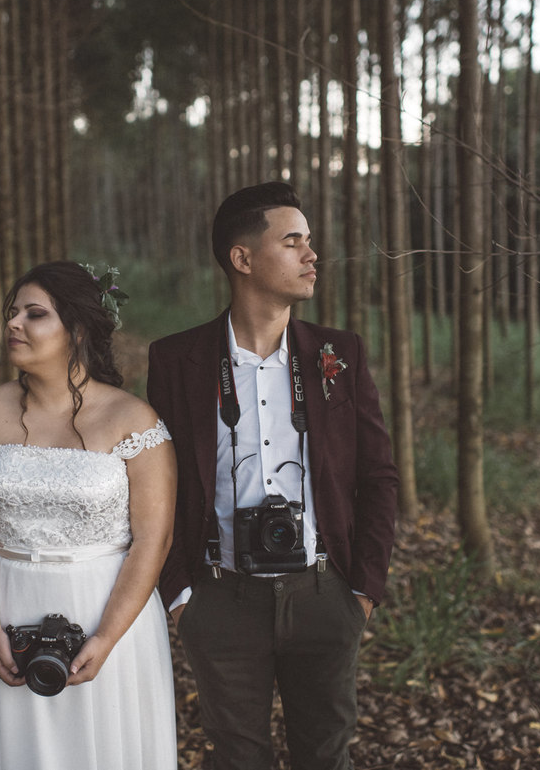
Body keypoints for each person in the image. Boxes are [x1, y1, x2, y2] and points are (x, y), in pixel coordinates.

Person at [147, 182, 399, 770]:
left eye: (309, 241)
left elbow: (379, 476)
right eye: (293, 242)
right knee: (236, 760)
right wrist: (182, 594)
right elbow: (156, 482)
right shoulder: (175, 360)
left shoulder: (340, 354)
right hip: (220, 598)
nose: (312, 255)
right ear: (242, 259)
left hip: (324, 593)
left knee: (325, 756)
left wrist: (362, 588)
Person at [0, 260, 178, 769]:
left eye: (34, 314)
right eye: (12, 313)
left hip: (106, 610)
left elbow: (152, 541)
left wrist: (107, 636)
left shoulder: (133, 419)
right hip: (3, 605)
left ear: (76, 330)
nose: (13, 324)